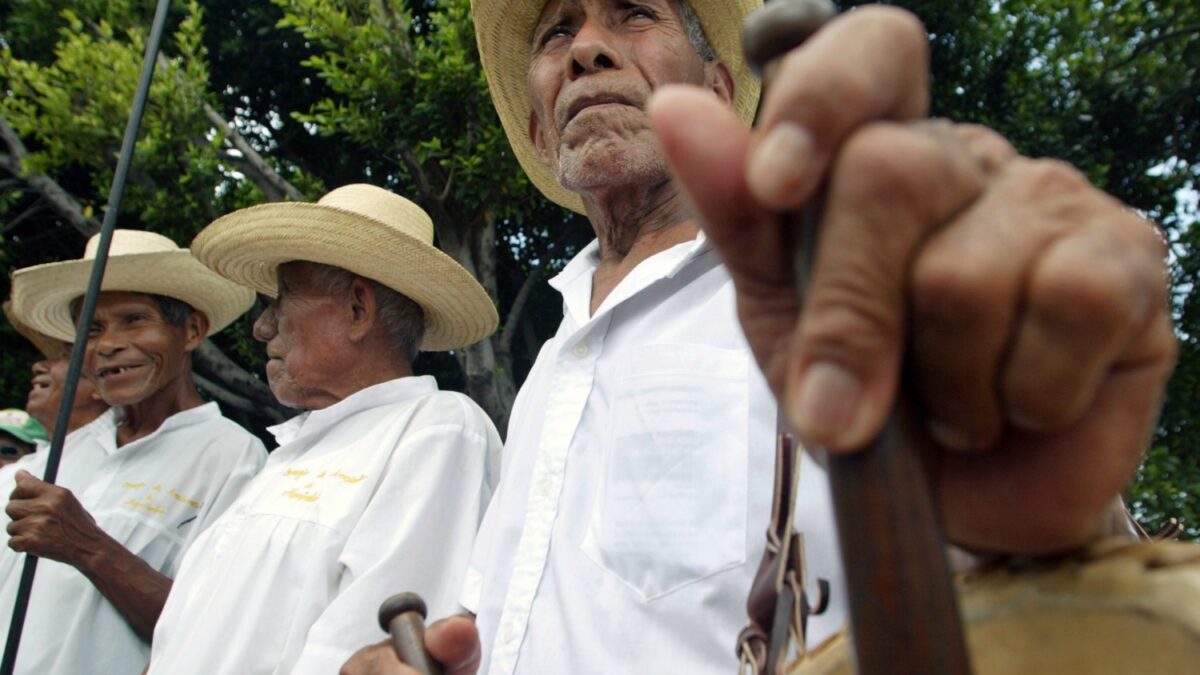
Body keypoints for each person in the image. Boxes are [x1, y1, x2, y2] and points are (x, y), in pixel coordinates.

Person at [342, 0, 1174, 674]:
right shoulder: (548, 369)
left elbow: (1037, 568)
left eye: (632, 15)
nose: (587, 48)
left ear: (715, 92)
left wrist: (1033, 480)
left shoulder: (835, 293)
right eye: (559, 30)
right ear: (538, 131)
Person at [143, 184, 503, 674]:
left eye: (282, 298)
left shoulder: (437, 428)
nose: (262, 328)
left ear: (358, 309)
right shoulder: (287, 455)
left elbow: (367, 651)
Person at [1, 229, 268, 674]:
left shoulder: (233, 459)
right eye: (93, 329)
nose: (108, 344)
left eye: (134, 320)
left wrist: (87, 545)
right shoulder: (58, 455)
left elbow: (219, 631)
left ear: (191, 331)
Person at [4, 301, 109, 437]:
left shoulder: (122, 454)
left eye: (65, 356)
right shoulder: (34, 458)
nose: (38, 367)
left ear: (102, 384)